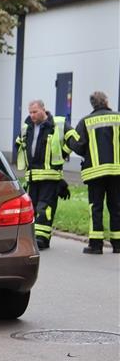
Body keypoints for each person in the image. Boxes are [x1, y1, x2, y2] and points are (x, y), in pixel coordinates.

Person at [65, 91, 120, 254]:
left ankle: (96, 245)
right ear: (106, 101)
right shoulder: (118, 118)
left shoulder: (85, 122)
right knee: (116, 206)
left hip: (95, 173)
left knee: (95, 207)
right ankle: (118, 244)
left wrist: (89, 154)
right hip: (116, 171)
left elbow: (77, 146)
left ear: (93, 104)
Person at [16, 99, 74, 250]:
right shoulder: (27, 127)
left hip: (50, 177)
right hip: (32, 176)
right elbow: (19, 144)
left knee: (44, 208)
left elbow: (74, 139)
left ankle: (41, 238)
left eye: (35, 112)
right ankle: (36, 238)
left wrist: (63, 154)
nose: (32, 115)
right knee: (33, 208)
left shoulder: (57, 125)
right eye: (30, 112)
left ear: (43, 110)